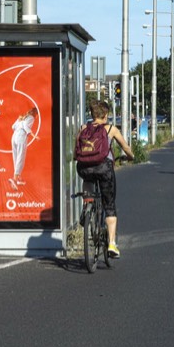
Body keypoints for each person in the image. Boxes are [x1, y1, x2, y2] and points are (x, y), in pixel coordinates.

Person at [76, 99, 134, 258]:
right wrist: (131, 156)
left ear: (93, 114)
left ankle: (86, 208)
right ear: (106, 115)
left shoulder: (83, 129)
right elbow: (125, 147)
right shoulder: (111, 129)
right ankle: (112, 244)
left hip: (84, 168)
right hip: (104, 169)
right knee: (109, 205)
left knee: (88, 179)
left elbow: (78, 150)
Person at [10, 107, 37, 189]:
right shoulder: (31, 118)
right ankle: (14, 179)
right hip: (21, 137)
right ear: (35, 113)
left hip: (14, 137)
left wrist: (19, 127)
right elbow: (26, 126)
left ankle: (18, 178)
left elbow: (13, 127)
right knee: (20, 158)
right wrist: (33, 135)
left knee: (16, 157)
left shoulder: (21, 117)